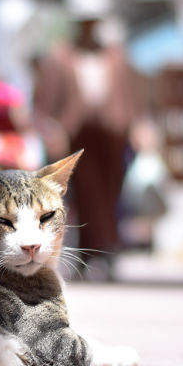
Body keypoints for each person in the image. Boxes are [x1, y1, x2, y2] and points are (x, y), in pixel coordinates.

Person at [33, 15, 140, 280]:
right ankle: (96, 250)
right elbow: (45, 100)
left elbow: (132, 95)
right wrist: (51, 128)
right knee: (83, 194)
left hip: (113, 135)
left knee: (110, 192)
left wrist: (138, 125)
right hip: (76, 136)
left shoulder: (115, 57)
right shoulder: (61, 57)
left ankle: (103, 248)